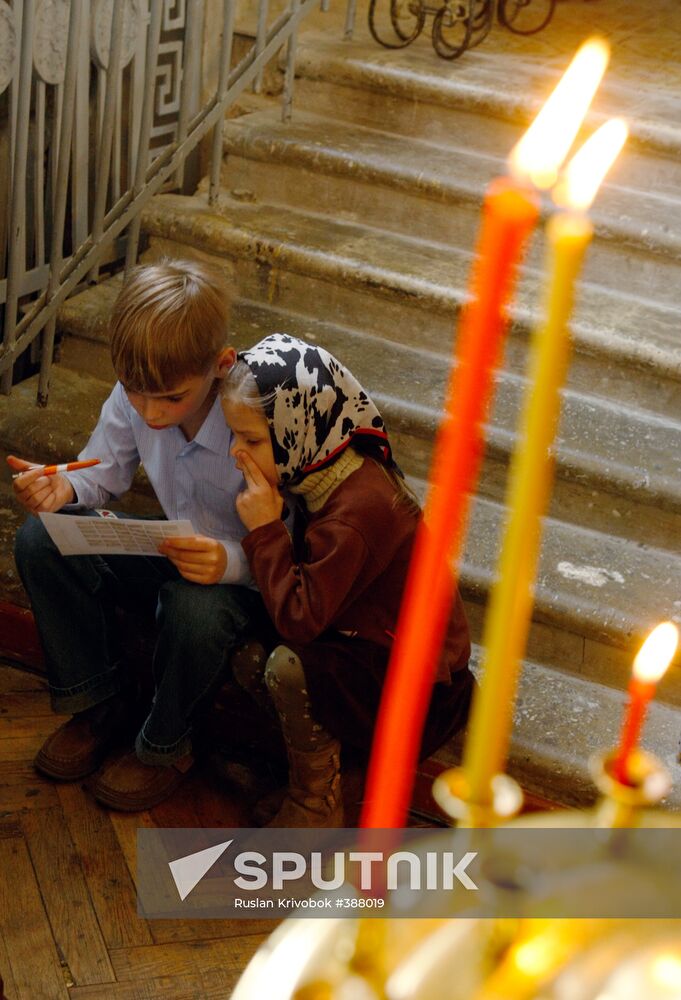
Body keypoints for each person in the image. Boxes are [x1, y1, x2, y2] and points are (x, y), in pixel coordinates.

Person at [10, 259, 273, 811]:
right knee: (41, 539)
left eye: (171, 398)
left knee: (194, 607)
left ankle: (166, 744)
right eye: (135, 392)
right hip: (173, 547)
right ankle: (99, 702)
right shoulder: (140, 393)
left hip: (244, 576)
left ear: (221, 366)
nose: (151, 413)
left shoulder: (253, 416)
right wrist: (63, 493)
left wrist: (227, 562)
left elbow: (292, 547)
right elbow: (103, 471)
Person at [221, 333, 473, 827]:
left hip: (418, 679)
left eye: (250, 439)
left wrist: (266, 530)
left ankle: (315, 805)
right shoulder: (321, 472)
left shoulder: (357, 511)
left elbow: (300, 619)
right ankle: (332, 783)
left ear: (300, 428)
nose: (235, 453)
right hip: (362, 641)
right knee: (249, 652)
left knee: (287, 665)